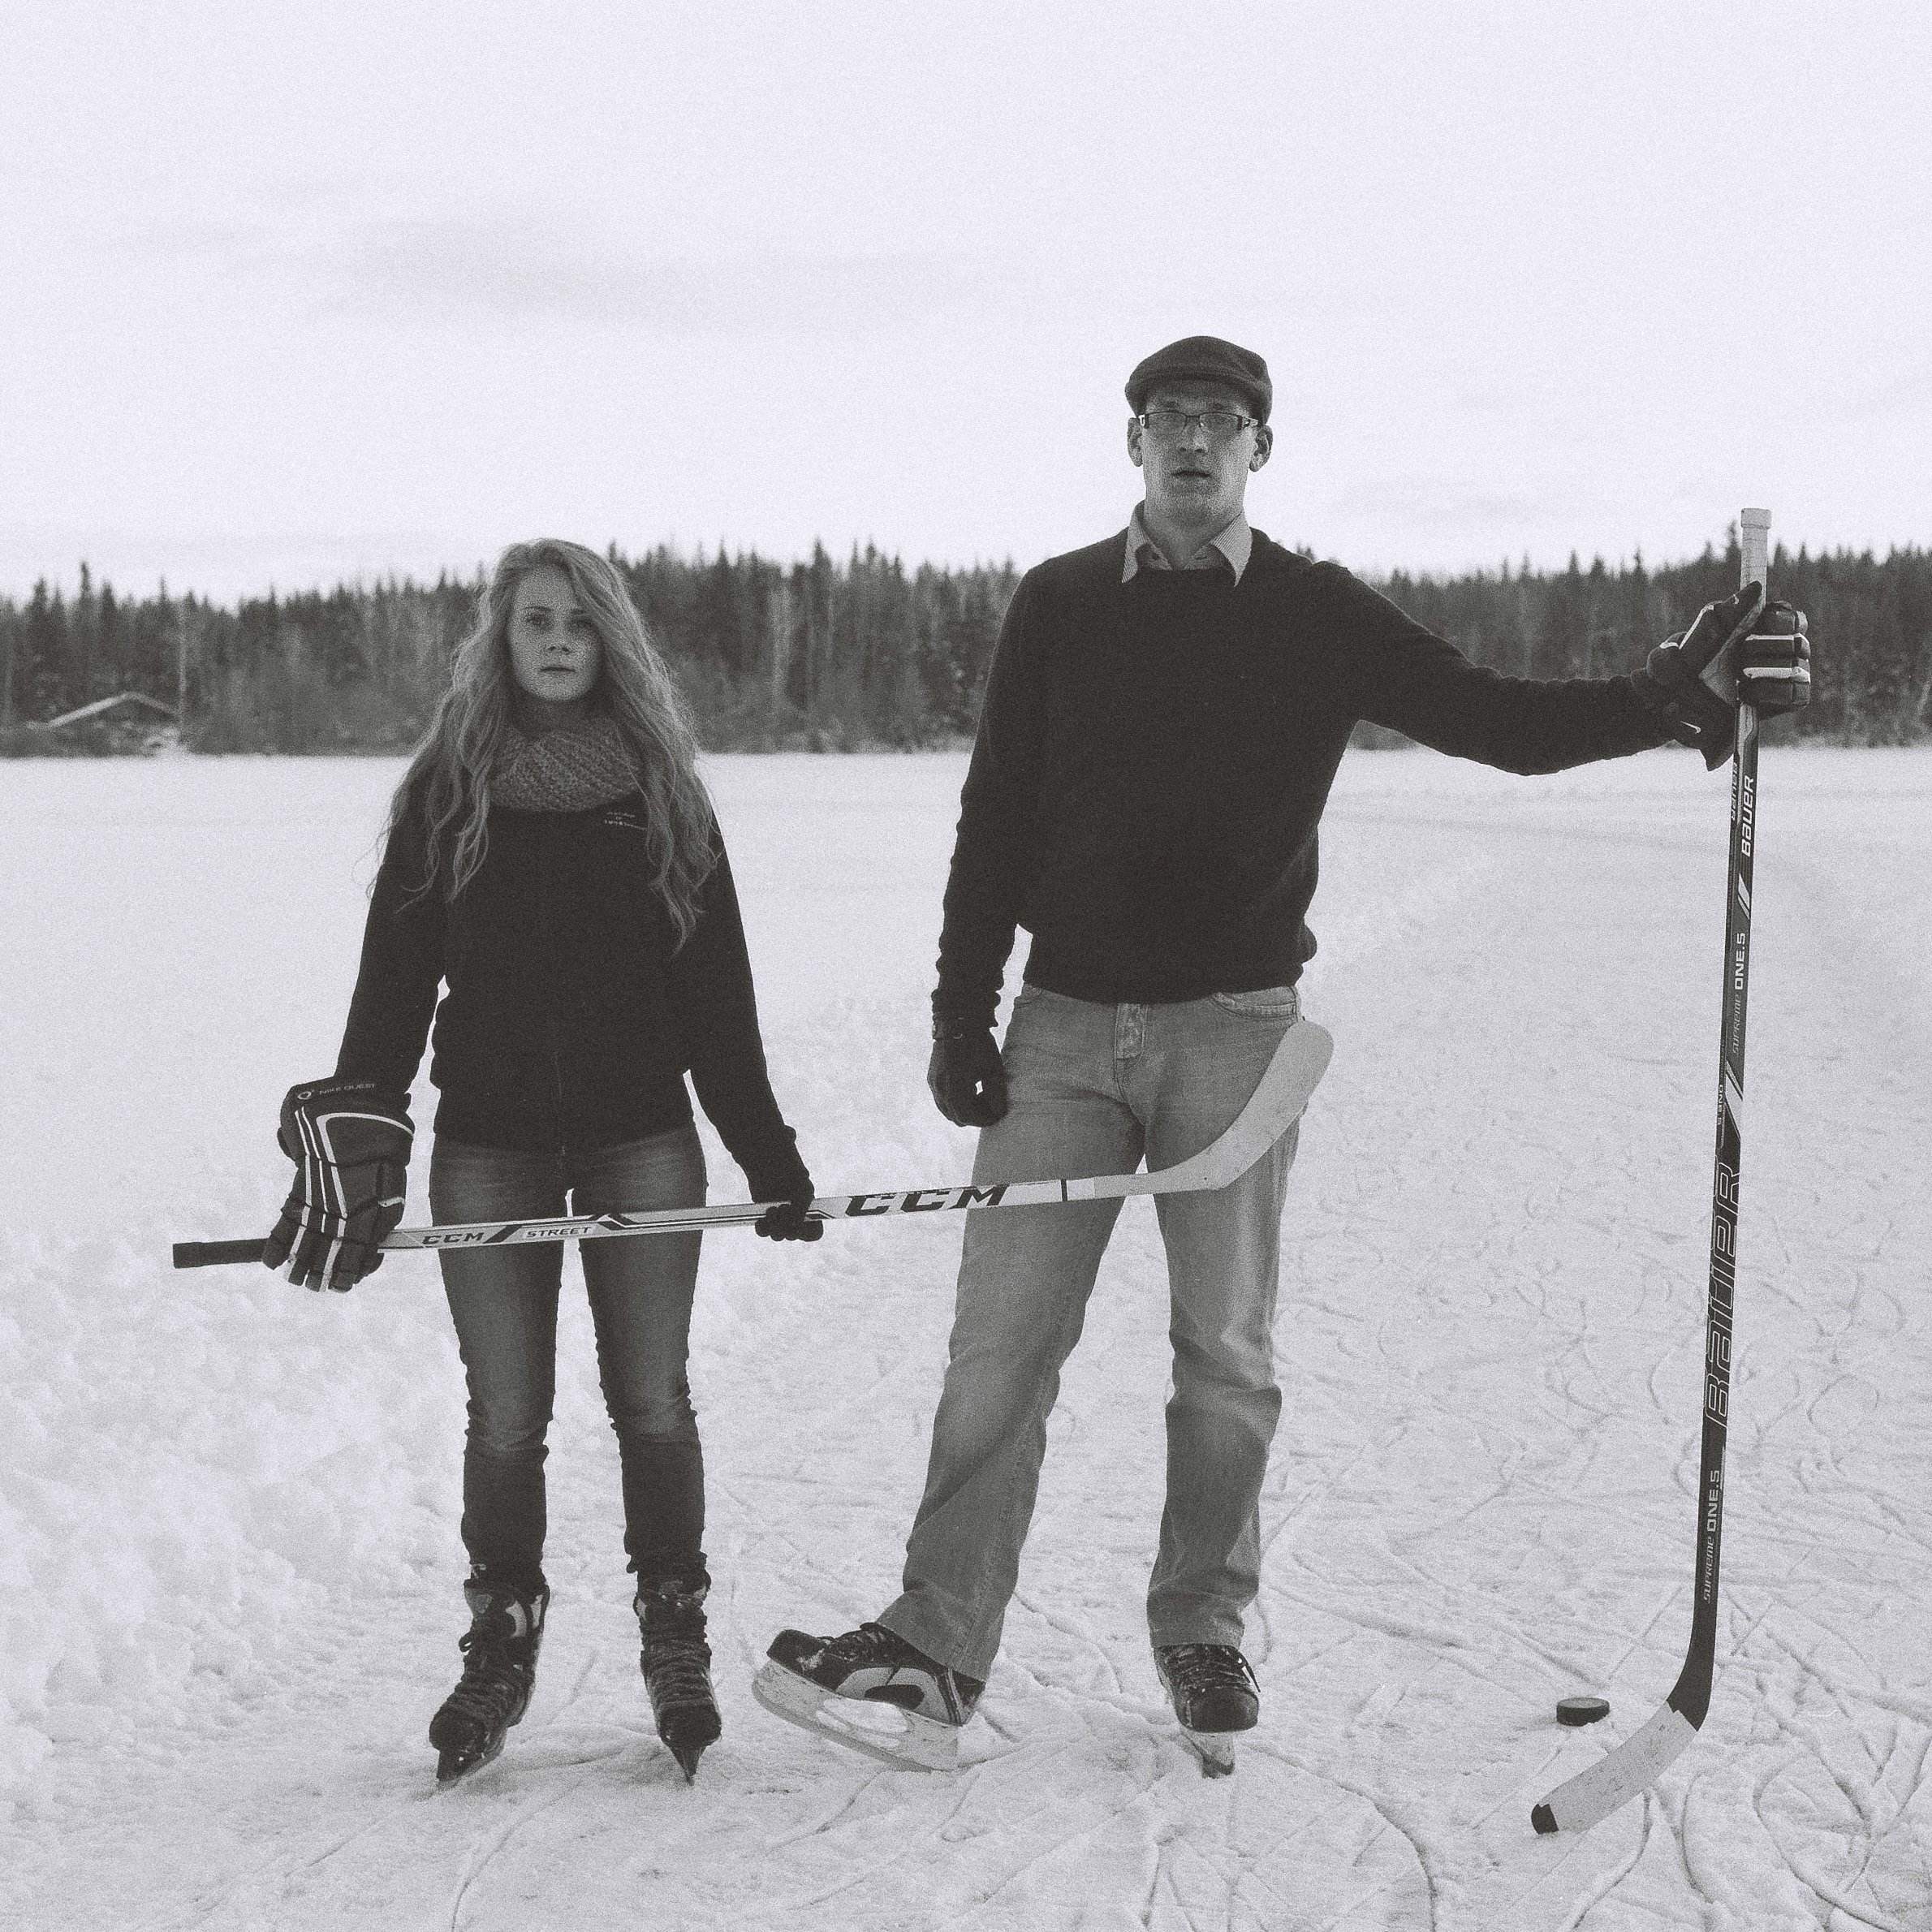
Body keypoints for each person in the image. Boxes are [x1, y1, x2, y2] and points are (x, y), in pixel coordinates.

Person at [757, 336, 1809, 1776]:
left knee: (1226, 1353)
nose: (1195, 441)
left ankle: (1205, 1623)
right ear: (1131, 442)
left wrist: (1665, 697)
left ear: (1263, 448)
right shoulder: (1058, 604)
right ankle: (937, 1651)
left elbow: (1497, 722)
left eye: (1225, 421)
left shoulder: (1316, 611)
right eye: (1169, 419)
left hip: (1235, 1033)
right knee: (998, 1350)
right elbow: (994, 815)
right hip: (1062, 1028)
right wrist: (960, 1007)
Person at [262, 537, 821, 1786]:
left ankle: (673, 1628)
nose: (557, 639)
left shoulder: (665, 792)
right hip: (491, 1146)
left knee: (652, 1400)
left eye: (577, 620)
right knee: (506, 1417)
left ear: (609, 638)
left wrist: (768, 1156)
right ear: (500, 640)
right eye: (533, 621)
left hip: (642, 1139)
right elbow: (392, 988)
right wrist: (362, 1133)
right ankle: (501, 1636)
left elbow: (717, 999)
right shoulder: (448, 791)